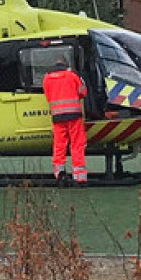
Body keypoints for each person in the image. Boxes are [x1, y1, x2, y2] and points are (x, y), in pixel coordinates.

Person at [42, 57, 88, 187]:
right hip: (74, 116)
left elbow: (47, 95)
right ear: (66, 65)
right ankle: (79, 178)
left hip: (57, 116)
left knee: (59, 145)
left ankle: (60, 174)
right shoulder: (71, 76)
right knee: (77, 144)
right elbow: (83, 92)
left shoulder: (46, 78)